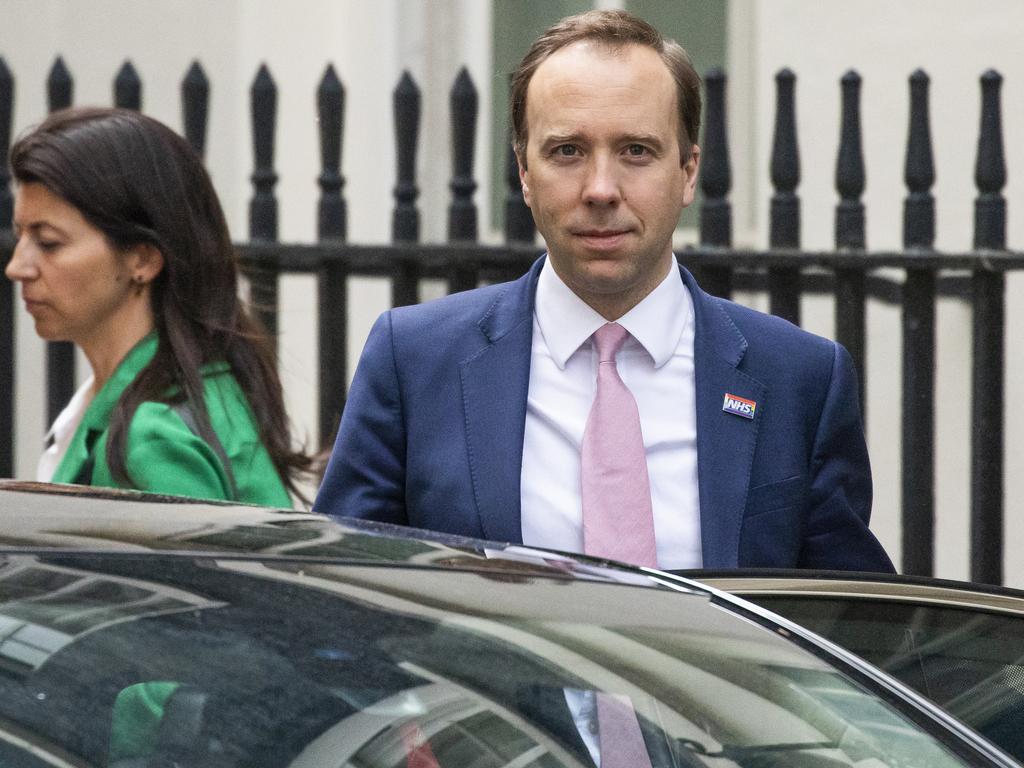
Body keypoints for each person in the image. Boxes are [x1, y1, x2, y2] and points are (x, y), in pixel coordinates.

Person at [315, 10, 894, 573]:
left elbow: (848, 625)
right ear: (522, 171)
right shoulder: (414, 360)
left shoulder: (801, 379)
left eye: (636, 151)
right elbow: (346, 597)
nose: (600, 189)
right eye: (567, 151)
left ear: (689, 171)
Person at [6, 106, 309, 506]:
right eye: (19, 236)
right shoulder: (163, 394)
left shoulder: (153, 440)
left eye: (48, 242)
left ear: (143, 260)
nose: (16, 267)